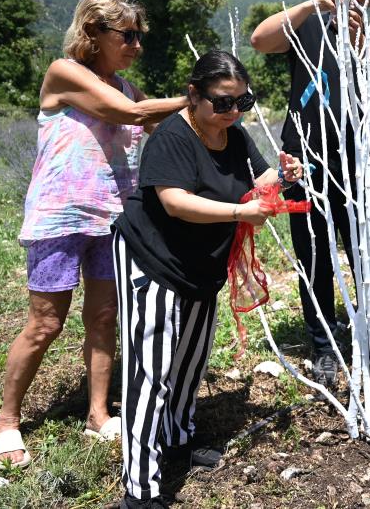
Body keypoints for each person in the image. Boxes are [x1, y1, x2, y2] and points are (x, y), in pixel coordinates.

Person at [0, 0, 187, 470]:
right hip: (60, 215)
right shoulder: (65, 73)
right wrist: (193, 95)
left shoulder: (128, 87)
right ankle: (5, 422)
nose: (136, 44)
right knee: (46, 322)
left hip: (113, 216)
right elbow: (130, 114)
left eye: (140, 35)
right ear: (93, 33)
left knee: (102, 317)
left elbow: (161, 128)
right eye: (127, 35)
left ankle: (98, 413)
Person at [112, 50, 302, 508]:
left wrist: (285, 175)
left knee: (190, 359)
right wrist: (241, 211)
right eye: (222, 102)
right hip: (153, 258)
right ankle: (140, 490)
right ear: (193, 95)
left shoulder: (232, 135)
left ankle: (176, 438)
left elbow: (260, 177)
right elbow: (175, 201)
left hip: (200, 265)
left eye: (243, 101)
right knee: (151, 369)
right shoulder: (173, 137)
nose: (233, 112)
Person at [250, 0, 370, 385]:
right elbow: (259, 40)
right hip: (304, 164)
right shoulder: (307, 25)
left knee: (366, 258)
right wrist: (314, 4)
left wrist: (359, 45)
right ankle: (323, 344)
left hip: (359, 167)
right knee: (313, 259)